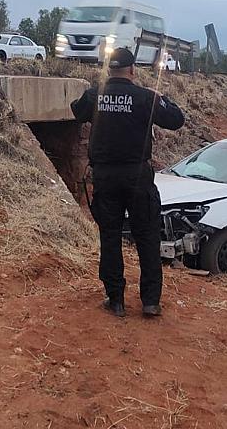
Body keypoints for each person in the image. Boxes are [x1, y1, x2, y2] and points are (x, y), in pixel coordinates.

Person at [70, 47, 185, 318]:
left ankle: (116, 299)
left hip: (106, 177)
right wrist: (160, 97)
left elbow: (77, 111)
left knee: (110, 238)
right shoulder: (145, 97)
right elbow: (176, 119)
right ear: (133, 70)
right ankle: (150, 302)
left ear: (109, 70)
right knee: (146, 237)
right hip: (137, 177)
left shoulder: (94, 95)